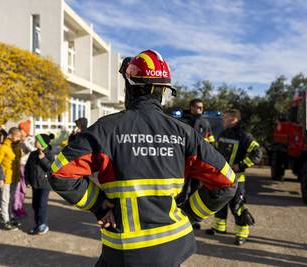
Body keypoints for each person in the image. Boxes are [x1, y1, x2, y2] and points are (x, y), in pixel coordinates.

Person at [49, 50, 237, 267]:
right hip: (173, 246)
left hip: (125, 251)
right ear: (164, 92)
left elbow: (59, 172)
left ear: (130, 87)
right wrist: (188, 214)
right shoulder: (185, 133)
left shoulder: (107, 129)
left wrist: (99, 204)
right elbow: (226, 182)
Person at [206, 109, 262, 245]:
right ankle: (219, 227)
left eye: (225, 118)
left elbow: (257, 154)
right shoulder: (223, 134)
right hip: (221, 177)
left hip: (237, 179)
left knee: (237, 206)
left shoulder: (245, 136)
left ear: (233, 119)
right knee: (220, 202)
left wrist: (241, 166)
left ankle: (242, 234)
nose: (222, 120)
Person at [177, 99, 216, 229]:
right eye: (198, 107)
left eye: (202, 108)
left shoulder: (205, 123)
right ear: (191, 107)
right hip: (184, 162)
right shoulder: (182, 121)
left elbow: (210, 140)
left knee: (196, 191)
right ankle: (176, 216)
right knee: (181, 190)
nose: (200, 110)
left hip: (199, 164)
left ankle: (193, 219)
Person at [25, 134, 55, 235]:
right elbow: (27, 168)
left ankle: (43, 224)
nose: (35, 142)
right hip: (35, 184)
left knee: (42, 204)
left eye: (37, 140)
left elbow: (52, 169)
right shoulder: (33, 154)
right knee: (35, 205)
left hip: (45, 184)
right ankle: (37, 224)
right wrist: (27, 180)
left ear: (42, 143)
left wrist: (43, 159)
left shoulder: (50, 154)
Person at [0, 127, 22, 230]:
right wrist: (0, 178)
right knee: (5, 199)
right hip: (5, 178)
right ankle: (5, 220)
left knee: (10, 199)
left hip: (14, 178)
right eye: (18, 136)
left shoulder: (16, 147)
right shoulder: (2, 148)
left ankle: (9, 218)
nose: (19, 138)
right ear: (11, 135)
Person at [13, 120, 36, 218]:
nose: (19, 131)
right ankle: (15, 208)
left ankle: (20, 207)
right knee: (17, 189)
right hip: (18, 166)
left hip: (26, 167)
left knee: (22, 189)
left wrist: (25, 142)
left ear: (25, 130)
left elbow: (33, 150)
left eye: (21, 129)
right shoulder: (18, 140)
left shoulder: (30, 139)